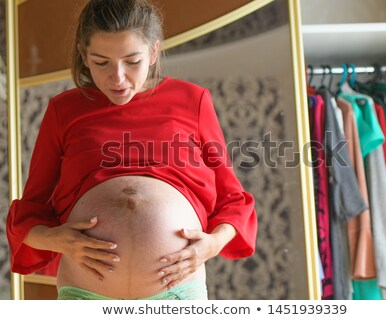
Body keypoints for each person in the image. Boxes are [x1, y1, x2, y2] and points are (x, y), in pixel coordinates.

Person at [7, 0, 257, 300]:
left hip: (175, 294)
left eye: (132, 61)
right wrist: (56, 240)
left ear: (153, 52)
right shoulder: (64, 111)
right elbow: (30, 213)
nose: (118, 78)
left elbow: (233, 199)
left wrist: (213, 244)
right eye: (101, 62)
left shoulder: (193, 101)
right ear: (84, 55)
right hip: (86, 295)